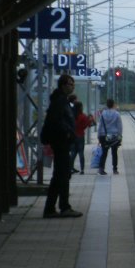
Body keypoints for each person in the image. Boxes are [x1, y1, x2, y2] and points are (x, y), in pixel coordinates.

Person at [42, 74, 82, 218]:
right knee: (63, 175)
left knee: (60, 175)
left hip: (61, 142)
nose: (72, 87)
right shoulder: (60, 101)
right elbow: (56, 120)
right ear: (63, 85)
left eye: (73, 84)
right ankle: (63, 207)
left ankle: (51, 208)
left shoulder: (60, 100)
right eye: (71, 84)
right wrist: (67, 133)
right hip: (61, 142)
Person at [97, 98, 123, 175]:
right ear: (113, 104)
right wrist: (120, 136)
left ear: (106, 105)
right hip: (114, 136)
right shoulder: (117, 114)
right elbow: (119, 126)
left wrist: (99, 135)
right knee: (114, 153)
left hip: (103, 135)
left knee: (104, 152)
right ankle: (115, 169)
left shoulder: (103, 114)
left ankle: (101, 168)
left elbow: (100, 125)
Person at [69, 101, 93, 174]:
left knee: (73, 153)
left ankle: (70, 168)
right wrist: (90, 119)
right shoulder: (83, 116)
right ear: (80, 107)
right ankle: (82, 170)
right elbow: (87, 125)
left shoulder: (71, 115)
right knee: (81, 153)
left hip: (73, 136)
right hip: (80, 136)